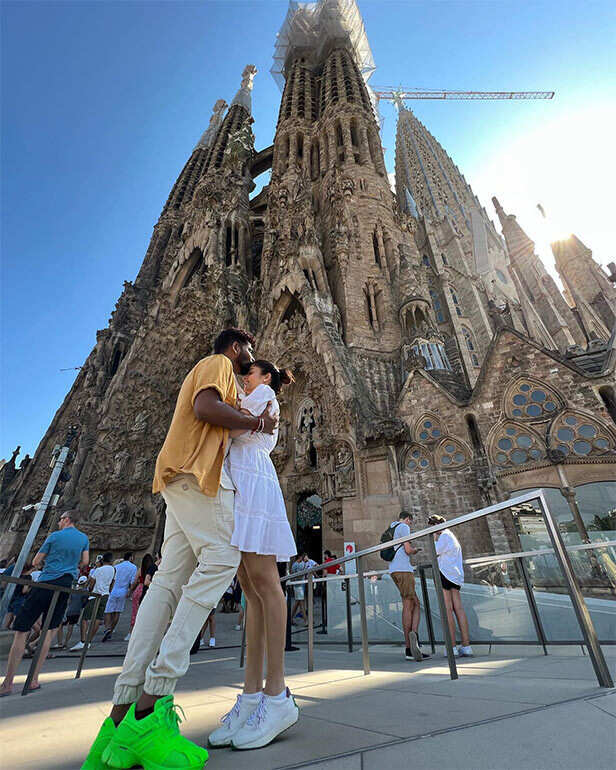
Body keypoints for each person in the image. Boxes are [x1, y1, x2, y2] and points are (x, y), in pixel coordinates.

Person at [81, 327, 277, 770]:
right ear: (234, 347)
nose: (251, 356)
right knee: (223, 559)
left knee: (167, 583)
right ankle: (152, 704)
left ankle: (119, 723)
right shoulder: (219, 365)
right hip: (197, 478)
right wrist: (255, 421)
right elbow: (206, 407)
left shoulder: (221, 371)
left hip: (176, 478)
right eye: (248, 348)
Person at [208, 359, 299, 751]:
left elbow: (227, 423)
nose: (244, 376)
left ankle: (277, 694)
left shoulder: (264, 394)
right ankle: (250, 696)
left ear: (266, 378)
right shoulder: (252, 396)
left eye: (250, 372)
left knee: (265, 583)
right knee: (250, 588)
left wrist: (217, 406)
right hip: (240, 480)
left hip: (252, 482)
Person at [0, 510, 89, 696]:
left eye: (60, 519)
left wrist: (50, 562)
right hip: (65, 586)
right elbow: (85, 562)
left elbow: (36, 560)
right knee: (49, 632)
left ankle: (8, 683)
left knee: (21, 630)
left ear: (66, 519)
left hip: (46, 582)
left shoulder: (55, 537)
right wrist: (69, 566)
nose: (58, 522)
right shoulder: (83, 539)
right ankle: (33, 680)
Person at [428, 514, 473, 657]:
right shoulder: (451, 536)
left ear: (435, 526)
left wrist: (435, 538)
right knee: (458, 609)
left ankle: (452, 647)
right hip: (456, 575)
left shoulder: (443, 537)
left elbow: (433, 552)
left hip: (445, 574)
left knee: (447, 610)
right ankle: (466, 645)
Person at [388, 511, 429, 662]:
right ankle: (410, 645)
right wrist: (415, 550)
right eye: (410, 522)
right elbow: (407, 549)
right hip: (403, 570)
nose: (410, 525)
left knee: (414, 603)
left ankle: (413, 641)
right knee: (409, 604)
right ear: (407, 519)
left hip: (394, 570)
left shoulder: (391, 528)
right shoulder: (403, 527)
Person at [71, 552, 115, 651]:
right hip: (105, 595)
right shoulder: (113, 569)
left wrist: (90, 590)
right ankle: (89, 641)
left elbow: (91, 583)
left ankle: (83, 640)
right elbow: (113, 582)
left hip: (95, 595)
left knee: (85, 618)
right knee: (98, 618)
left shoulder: (98, 570)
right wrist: (108, 591)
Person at [102, 552, 137, 642]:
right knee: (117, 611)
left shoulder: (117, 567)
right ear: (131, 558)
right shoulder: (133, 567)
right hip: (123, 590)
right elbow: (133, 581)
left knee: (108, 610)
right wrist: (130, 591)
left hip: (113, 590)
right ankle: (112, 629)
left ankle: (107, 628)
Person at [55, 575, 89, 648]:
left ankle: (60, 642)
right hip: (76, 612)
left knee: (60, 625)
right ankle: (65, 644)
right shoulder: (85, 592)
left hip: (68, 610)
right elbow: (84, 603)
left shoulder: (73, 591)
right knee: (70, 628)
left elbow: (69, 601)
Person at [125, 553, 153, 641]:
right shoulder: (153, 569)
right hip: (149, 590)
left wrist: (130, 591)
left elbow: (135, 581)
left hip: (139, 590)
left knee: (135, 612)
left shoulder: (141, 569)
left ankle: (131, 633)